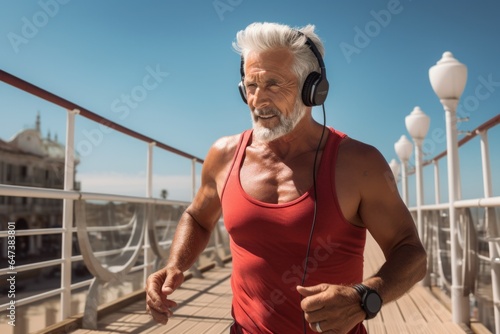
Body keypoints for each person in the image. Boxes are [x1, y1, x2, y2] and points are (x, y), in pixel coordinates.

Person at [146, 22, 427, 334]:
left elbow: (411, 252)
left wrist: (364, 297)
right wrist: (175, 265)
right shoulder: (223, 154)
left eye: (274, 84)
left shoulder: (359, 163)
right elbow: (198, 217)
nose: (259, 100)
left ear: (312, 90)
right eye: (251, 86)